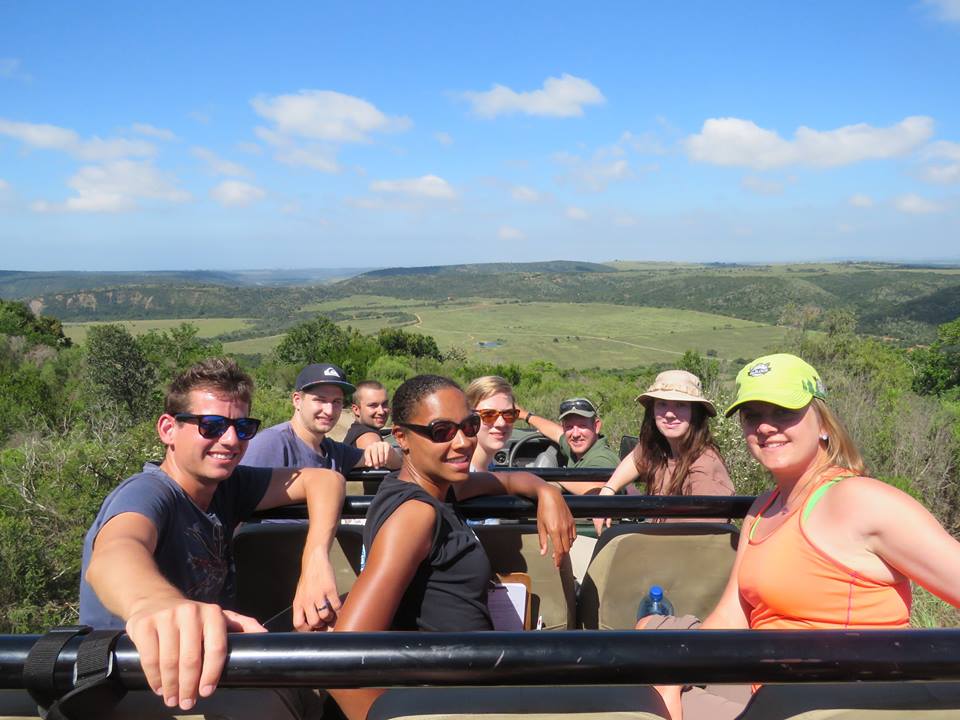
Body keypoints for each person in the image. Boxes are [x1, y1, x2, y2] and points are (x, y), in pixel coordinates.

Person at [642, 353, 960, 720]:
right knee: (650, 637)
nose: (765, 427)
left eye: (783, 412)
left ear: (823, 423)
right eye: (753, 416)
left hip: (835, 706)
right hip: (770, 692)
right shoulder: (762, 510)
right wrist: (671, 669)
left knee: (632, 705)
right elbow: (734, 614)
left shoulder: (861, 501)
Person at [80, 358, 345, 716]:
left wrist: (315, 559)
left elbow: (325, 480)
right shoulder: (148, 493)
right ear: (168, 429)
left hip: (207, 662)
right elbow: (115, 553)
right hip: (137, 678)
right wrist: (157, 605)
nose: (231, 440)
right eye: (212, 426)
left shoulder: (227, 486)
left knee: (335, 622)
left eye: (243, 427)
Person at [327, 374, 577, 720]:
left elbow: (503, 479)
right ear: (402, 437)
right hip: (452, 703)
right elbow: (342, 660)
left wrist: (545, 491)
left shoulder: (438, 486)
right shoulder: (415, 514)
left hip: (471, 687)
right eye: (441, 432)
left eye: (469, 426)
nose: (462, 443)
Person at [596, 370, 732, 530]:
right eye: (662, 404)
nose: (669, 414)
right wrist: (608, 491)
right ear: (652, 412)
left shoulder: (704, 466)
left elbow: (701, 538)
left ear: (695, 413)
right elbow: (636, 458)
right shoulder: (661, 449)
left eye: (680, 405)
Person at [242, 362, 401, 472]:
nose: (329, 410)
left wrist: (385, 450)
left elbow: (397, 461)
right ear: (297, 400)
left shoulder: (335, 452)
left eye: (336, 401)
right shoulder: (272, 444)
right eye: (320, 400)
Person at [515, 396, 619, 494]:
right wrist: (525, 415)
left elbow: (597, 489)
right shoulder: (578, 447)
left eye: (582, 426)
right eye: (569, 427)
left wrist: (551, 477)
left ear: (596, 426)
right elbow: (555, 432)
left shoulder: (603, 458)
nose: (575, 434)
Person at [465, 375, 519, 471]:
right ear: (469, 418)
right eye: (488, 414)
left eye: (508, 413)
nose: (501, 423)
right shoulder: (460, 477)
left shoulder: (488, 464)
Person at [343, 380, 391, 449]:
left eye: (384, 404)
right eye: (373, 405)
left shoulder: (356, 431)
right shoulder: (369, 438)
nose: (381, 411)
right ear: (356, 410)